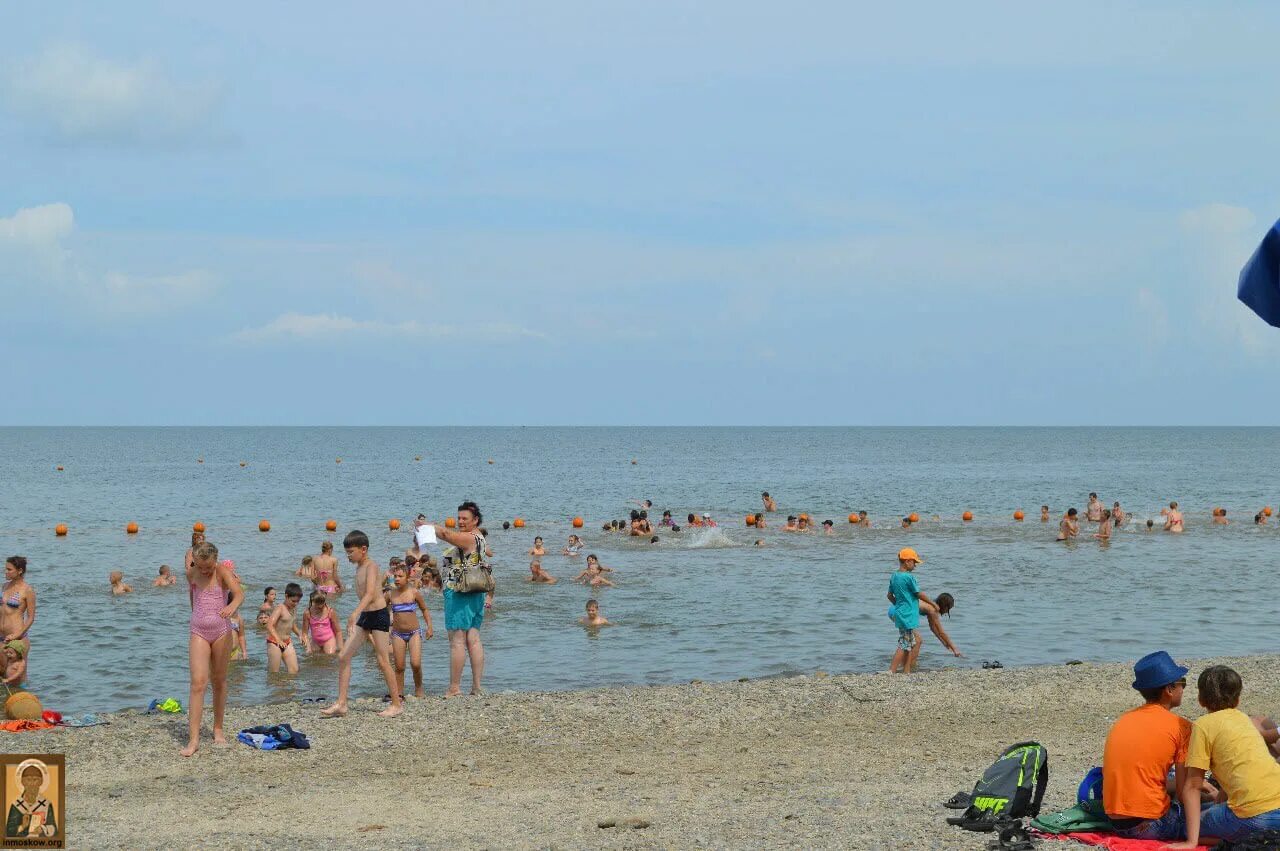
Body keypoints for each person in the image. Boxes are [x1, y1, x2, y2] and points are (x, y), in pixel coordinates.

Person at [1172, 666, 1280, 848]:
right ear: (1237, 699)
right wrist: (1219, 800)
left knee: (1183, 825)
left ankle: (1237, 841)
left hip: (1256, 816)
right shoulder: (1243, 719)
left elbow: (1192, 786)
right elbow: (1233, 768)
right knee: (1211, 810)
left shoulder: (1203, 726)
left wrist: (1191, 842)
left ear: (1200, 700)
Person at [1102, 651, 1197, 841]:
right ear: (1169, 690)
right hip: (1151, 824)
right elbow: (1183, 791)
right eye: (1182, 683)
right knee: (1210, 814)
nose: (1184, 688)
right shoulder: (1182, 727)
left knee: (1166, 773)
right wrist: (1207, 792)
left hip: (1116, 822)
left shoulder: (1124, 719)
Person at [321, 530, 402, 718]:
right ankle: (342, 703)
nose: (348, 555)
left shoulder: (371, 566)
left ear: (363, 549)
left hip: (378, 615)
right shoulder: (358, 568)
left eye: (351, 552)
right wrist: (359, 614)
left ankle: (396, 704)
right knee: (344, 656)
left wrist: (354, 613)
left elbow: (371, 594)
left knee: (382, 660)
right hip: (365, 616)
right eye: (346, 552)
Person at [182, 540, 242, 757]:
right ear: (195, 563)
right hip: (198, 630)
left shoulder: (222, 572)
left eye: (208, 566)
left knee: (219, 680)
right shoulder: (192, 573)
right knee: (198, 682)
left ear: (216, 561)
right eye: (201, 567)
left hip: (221, 631)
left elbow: (239, 594)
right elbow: (192, 595)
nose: (205, 571)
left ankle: (218, 729)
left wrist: (231, 606)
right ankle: (194, 739)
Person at [427, 502, 491, 698]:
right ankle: (477, 686)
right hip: (476, 591)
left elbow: (447, 535)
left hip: (460, 592)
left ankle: (455, 687)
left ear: (475, 520)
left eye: (465, 518)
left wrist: (428, 527)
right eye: (459, 518)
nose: (461, 521)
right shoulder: (480, 537)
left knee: (457, 641)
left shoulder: (469, 538)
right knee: (473, 638)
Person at [386, 564, 433, 698]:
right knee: (399, 666)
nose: (397, 579)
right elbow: (381, 610)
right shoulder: (390, 594)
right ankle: (399, 693)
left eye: (400, 576)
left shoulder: (414, 592)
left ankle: (418, 689)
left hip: (414, 633)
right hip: (397, 634)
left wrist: (429, 627)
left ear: (408, 578)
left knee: (416, 663)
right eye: (395, 576)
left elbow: (424, 609)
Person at [887, 548, 934, 674]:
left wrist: (899, 606)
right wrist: (933, 603)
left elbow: (889, 596)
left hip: (901, 613)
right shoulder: (909, 577)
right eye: (915, 563)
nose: (915, 566)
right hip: (908, 616)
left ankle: (906, 671)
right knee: (904, 644)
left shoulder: (894, 576)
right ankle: (891, 671)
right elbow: (918, 594)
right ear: (907, 561)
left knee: (910, 643)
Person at [6, 760, 57, 839]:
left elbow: (53, 829)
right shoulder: (16, 805)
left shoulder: (46, 804)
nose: (32, 784)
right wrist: (22, 826)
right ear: (23, 782)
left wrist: (42, 829)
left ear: (41, 782)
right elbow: (8, 831)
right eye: (28, 779)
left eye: (35, 779)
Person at [265, 583, 302, 674]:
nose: (296, 603)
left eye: (298, 601)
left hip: (287, 642)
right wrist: (278, 640)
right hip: (274, 642)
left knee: (294, 671)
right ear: (286, 596)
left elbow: (291, 624)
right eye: (293, 601)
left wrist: (299, 634)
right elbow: (269, 625)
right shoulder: (280, 608)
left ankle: (288, 688)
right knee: (274, 674)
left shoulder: (293, 608)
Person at [1, 557, 36, 654]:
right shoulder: (3, 587)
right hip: (1, 639)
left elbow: (31, 618)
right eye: (5, 569)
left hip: (16, 640)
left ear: (20, 570)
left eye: (9, 569)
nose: (5, 571)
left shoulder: (27, 590)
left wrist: (18, 634)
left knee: (16, 669)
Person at [301, 591, 342, 655]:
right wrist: (308, 647)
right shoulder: (307, 613)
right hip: (315, 642)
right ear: (313, 601)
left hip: (329, 639)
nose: (320, 607)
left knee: (329, 656)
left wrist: (340, 647)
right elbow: (304, 633)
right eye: (317, 606)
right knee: (313, 658)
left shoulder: (330, 611)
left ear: (325, 601)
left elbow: (338, 631)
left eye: (322, 605)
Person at [227, 592, 248, 662]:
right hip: (223, 652)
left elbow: (241, 636)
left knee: (237, 672)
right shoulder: (221, 614)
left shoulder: (238, 617)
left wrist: (244, 652)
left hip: (235, 651)